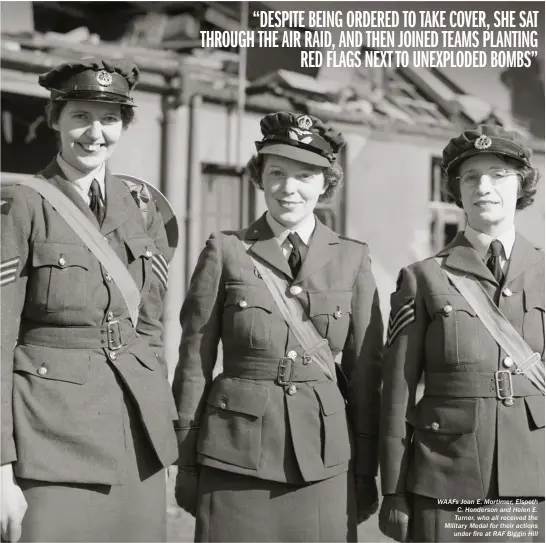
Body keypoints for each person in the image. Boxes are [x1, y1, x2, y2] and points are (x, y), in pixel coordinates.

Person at [172, 111, 384, 542]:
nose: (289, 188)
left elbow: (366, 375)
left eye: (305, 175)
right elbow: (194, 360)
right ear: (259, 177)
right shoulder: (227, 251)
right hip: (234, 456)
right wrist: (186, 459)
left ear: (326, 182)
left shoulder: (352, 258)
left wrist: (365, 469)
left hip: (324, 458)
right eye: (277, 173)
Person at [0, 58, 178, 542]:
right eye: (80, 116)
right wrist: (0, 467)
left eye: (109, 119)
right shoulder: (23, 204)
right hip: (52, 439)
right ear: (54, 119)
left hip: (135, 437)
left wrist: (163, 430)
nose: (94, 133)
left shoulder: (143, 209)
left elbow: (153, 330)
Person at [379, 124, 545, 542]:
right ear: (456, 189)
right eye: (470, 177)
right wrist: (394, 491)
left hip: (532, 480)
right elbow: (396, 396)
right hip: (445, 478)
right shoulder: (423, 279)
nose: (483, 186)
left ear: (521, 184)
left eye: (498, 175)